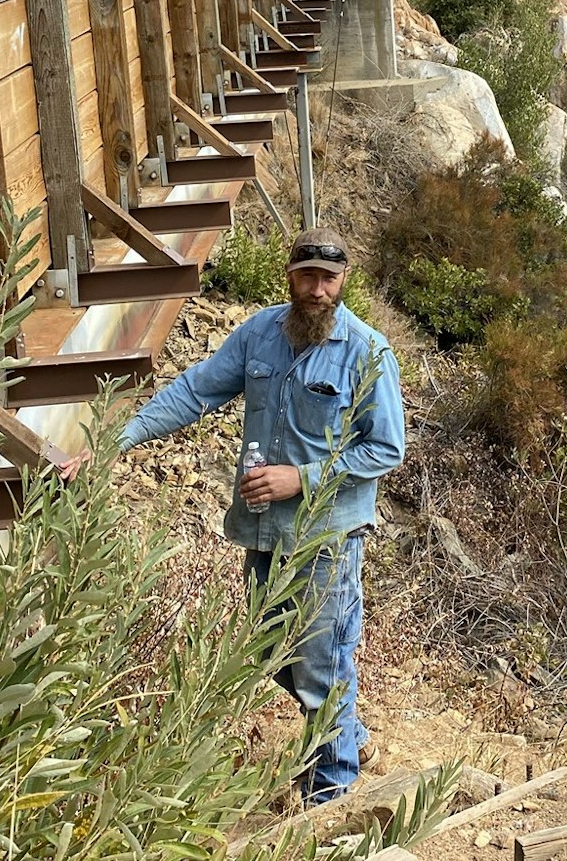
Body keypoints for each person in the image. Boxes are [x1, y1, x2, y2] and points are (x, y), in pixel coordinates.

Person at [58, 227, 405, 802]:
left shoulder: (368, 352)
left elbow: (386, 448)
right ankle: (349, 736)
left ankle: (332, 797)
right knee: (271, 653)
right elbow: (194, 391)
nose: (316, 289)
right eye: (306, 275)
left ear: (344, 282)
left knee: (322, 667)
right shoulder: (260, 334)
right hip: (263, 530)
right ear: (289, 275)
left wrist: (303, 477)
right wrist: (114, 442)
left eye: (329, 278)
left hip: (325, 539)